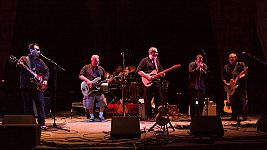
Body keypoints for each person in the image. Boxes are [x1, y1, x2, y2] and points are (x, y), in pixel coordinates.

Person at [16, 43, 49, 130]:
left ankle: (42, 123)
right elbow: (18, 68)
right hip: (26, 87)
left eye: (39, 50)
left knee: (40, 104)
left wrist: (45, 80)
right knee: (28, 106)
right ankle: (30, 123)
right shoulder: (23, 59)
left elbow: (46, 71)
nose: (39, 51)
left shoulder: (41, 61)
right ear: (31, 50)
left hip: (38, 87)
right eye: (37, 50)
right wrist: (19, 66)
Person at [136, 47, 164, 121]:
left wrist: (162, 74)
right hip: (147, 82)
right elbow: (138, 71)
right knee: (147, 99)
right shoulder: (144, 60)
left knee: (159, 98)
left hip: (157, 82)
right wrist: (147, 76)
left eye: (157, 52)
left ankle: (158, 115)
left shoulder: (157, 61)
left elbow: (160, 71)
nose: (157, 54)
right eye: (155, 52)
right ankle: (149, 116)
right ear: (151, 53)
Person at [79, 55, 108, 122]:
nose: (96, 63)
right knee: (90, 104)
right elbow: (80, 75)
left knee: (103, 102)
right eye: (95, 61)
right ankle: (91, 117)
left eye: (98, 61)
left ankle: (101, 116)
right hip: (89, 90)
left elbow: (104, 79)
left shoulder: (101, 68)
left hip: (98, 89)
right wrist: (88, 81)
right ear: (91, 60)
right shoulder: (86, 67)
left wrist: (107, 81)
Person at [222, 53, 248, 121]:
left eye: (232, 57)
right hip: (231, 87)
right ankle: (234, 116)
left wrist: (239, 77)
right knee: (233, 101)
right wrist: (226, 83)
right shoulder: (226, 67)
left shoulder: (241, 64)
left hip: (240, 86)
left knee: (242, 101)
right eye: (230, 58)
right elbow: (223, 77)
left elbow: (245, 73)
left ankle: (244, 116)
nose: (231, 59)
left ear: (236, 58)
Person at [188, 54, 207, 118]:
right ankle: (192, 117)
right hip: (192, 87)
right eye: (199, 61)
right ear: (195, 60)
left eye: (201, 61)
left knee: (201, 103)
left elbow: (206, 75)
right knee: (192, 102)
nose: (200, 62)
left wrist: (201, 68)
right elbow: (191, 72)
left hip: (201, 87)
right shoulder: (191, 64)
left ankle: (200, 116)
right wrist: (198, 67)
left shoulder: (204, 65)